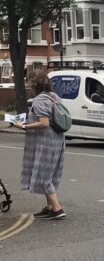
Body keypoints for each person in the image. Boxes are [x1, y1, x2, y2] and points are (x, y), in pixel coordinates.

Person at [14, 71, 67, 220]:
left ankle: (57, 208)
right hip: (57, 140)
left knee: (43, 176)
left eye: (29, 82)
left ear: (34, 84)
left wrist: (24, 126)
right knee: (48, 173)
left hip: (45, 143)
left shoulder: (39, 100)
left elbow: (44, 123)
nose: (28, 85)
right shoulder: (53, 96)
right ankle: (50, 207)